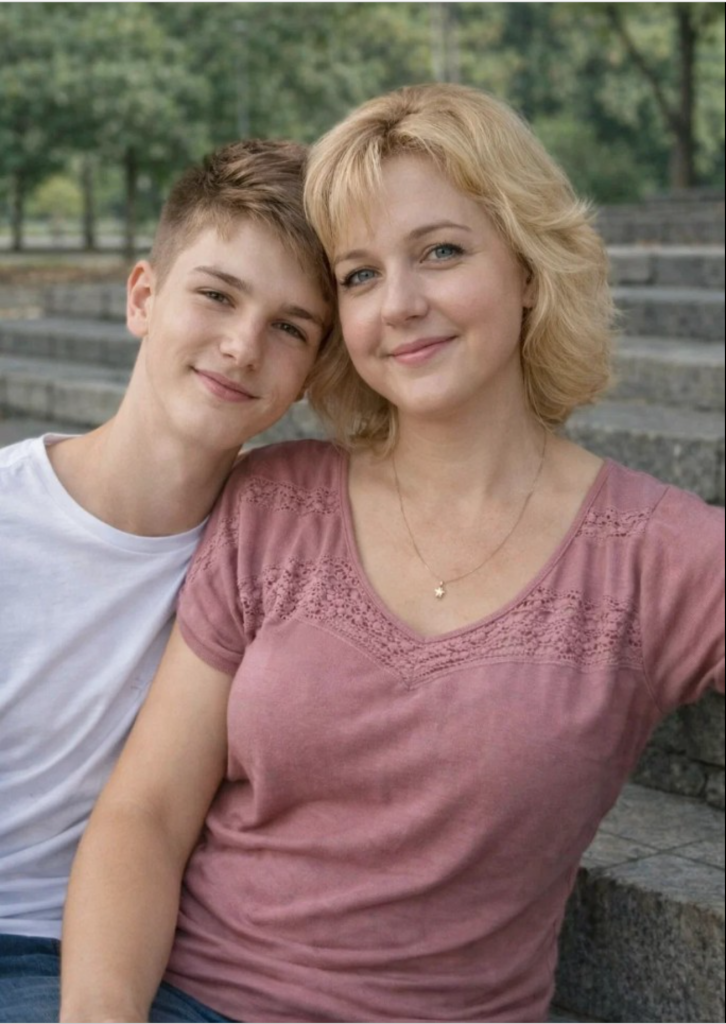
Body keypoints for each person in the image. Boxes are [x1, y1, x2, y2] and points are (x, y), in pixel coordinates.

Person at [59, 84, 724, 1024]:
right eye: (360, 275)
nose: (400, 306)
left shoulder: (658, 555)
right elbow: (146, 816)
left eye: (441, 252)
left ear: (528, 266)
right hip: (187, 1003)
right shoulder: (276, 501)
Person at [0, 139, 333, 1023]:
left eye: (290, 328)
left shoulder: (280, 541)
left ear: (312, 372)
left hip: (146, 957)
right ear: (143, 297)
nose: (241, 345)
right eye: (217, 295)